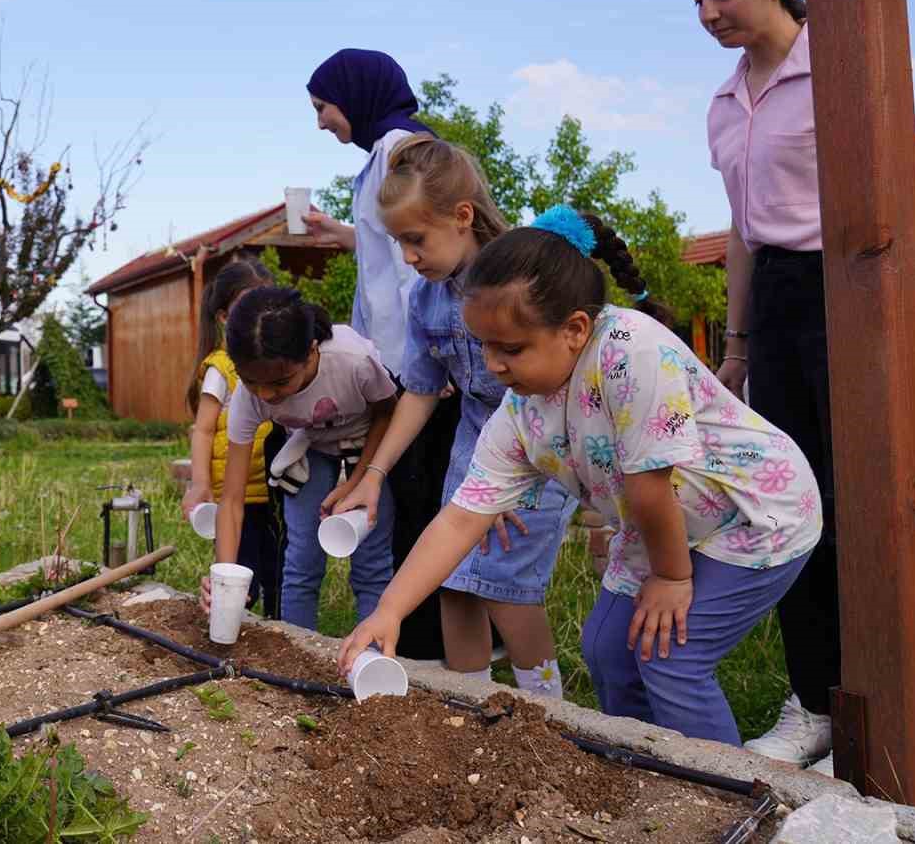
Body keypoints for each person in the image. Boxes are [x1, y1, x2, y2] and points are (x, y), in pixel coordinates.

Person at [338, 206, 822, 747]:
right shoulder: (521, 412)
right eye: (484, 347)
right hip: (668, 525)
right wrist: (390, 610)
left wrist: (671, 579)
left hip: (757, 512)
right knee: (607, 649)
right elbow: (459, 520)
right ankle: (644, 762)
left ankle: (726, 796)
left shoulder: (630, 352)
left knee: (670, 657)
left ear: (574, 330)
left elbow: (649, 485)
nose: (493, 365)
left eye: (511, 349)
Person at [689, 0, 915, 769]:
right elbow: (743, 231)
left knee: (875, 500)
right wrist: (737, 348)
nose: (708, 13)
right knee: (791, 502)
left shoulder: (843, 68)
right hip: (777, 299)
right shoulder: (725, 104)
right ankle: (815, 702)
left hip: (860, 289)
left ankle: (905, 697)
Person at [325, 136, 576, 698]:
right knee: (455, 580)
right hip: (474, 441)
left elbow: (550, 383)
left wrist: (504, 490)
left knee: (506, 586)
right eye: (399, 243)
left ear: (462, 217)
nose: (409, 257)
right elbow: (420, 389)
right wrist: (374, 476)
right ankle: (474, 701)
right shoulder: (426, 299)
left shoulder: (522, 277)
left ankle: (549, 709)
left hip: (535, 443)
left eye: (416, 240)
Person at [304, 48, 460, 660]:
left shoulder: (403, 151)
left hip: (420, 370)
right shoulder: (379, 156)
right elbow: (387, 250)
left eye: (323, 107)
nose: (321, 122)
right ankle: (426, 644)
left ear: (357, 94)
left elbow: (414, 269)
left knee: (424, 509)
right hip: (401, 363)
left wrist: (431, 360)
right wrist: (342, 235)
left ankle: (428, 651)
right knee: (409, 502)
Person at [200, 286, 398, 629]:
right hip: (311, 446)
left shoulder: (352, 361)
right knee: (301, 560)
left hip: (371, 445)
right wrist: (225, 576)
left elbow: (387, 413)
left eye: (279, 383)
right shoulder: (251, 396)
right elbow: (231, 500)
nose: (265, 395)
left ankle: (375, 652)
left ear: (310, 352)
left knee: (372, 560)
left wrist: (360, 480)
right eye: (251, 382)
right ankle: (295, 654)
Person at [182, 258, 284, 618]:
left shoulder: (280, 362)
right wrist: (200, 483)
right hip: (235, 493)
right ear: (224, 317)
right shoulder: (221, 368)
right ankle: (231, 624)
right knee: (242, 571)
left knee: (277, 569)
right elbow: (204, 428)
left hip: (271, 488)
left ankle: (277, 629)